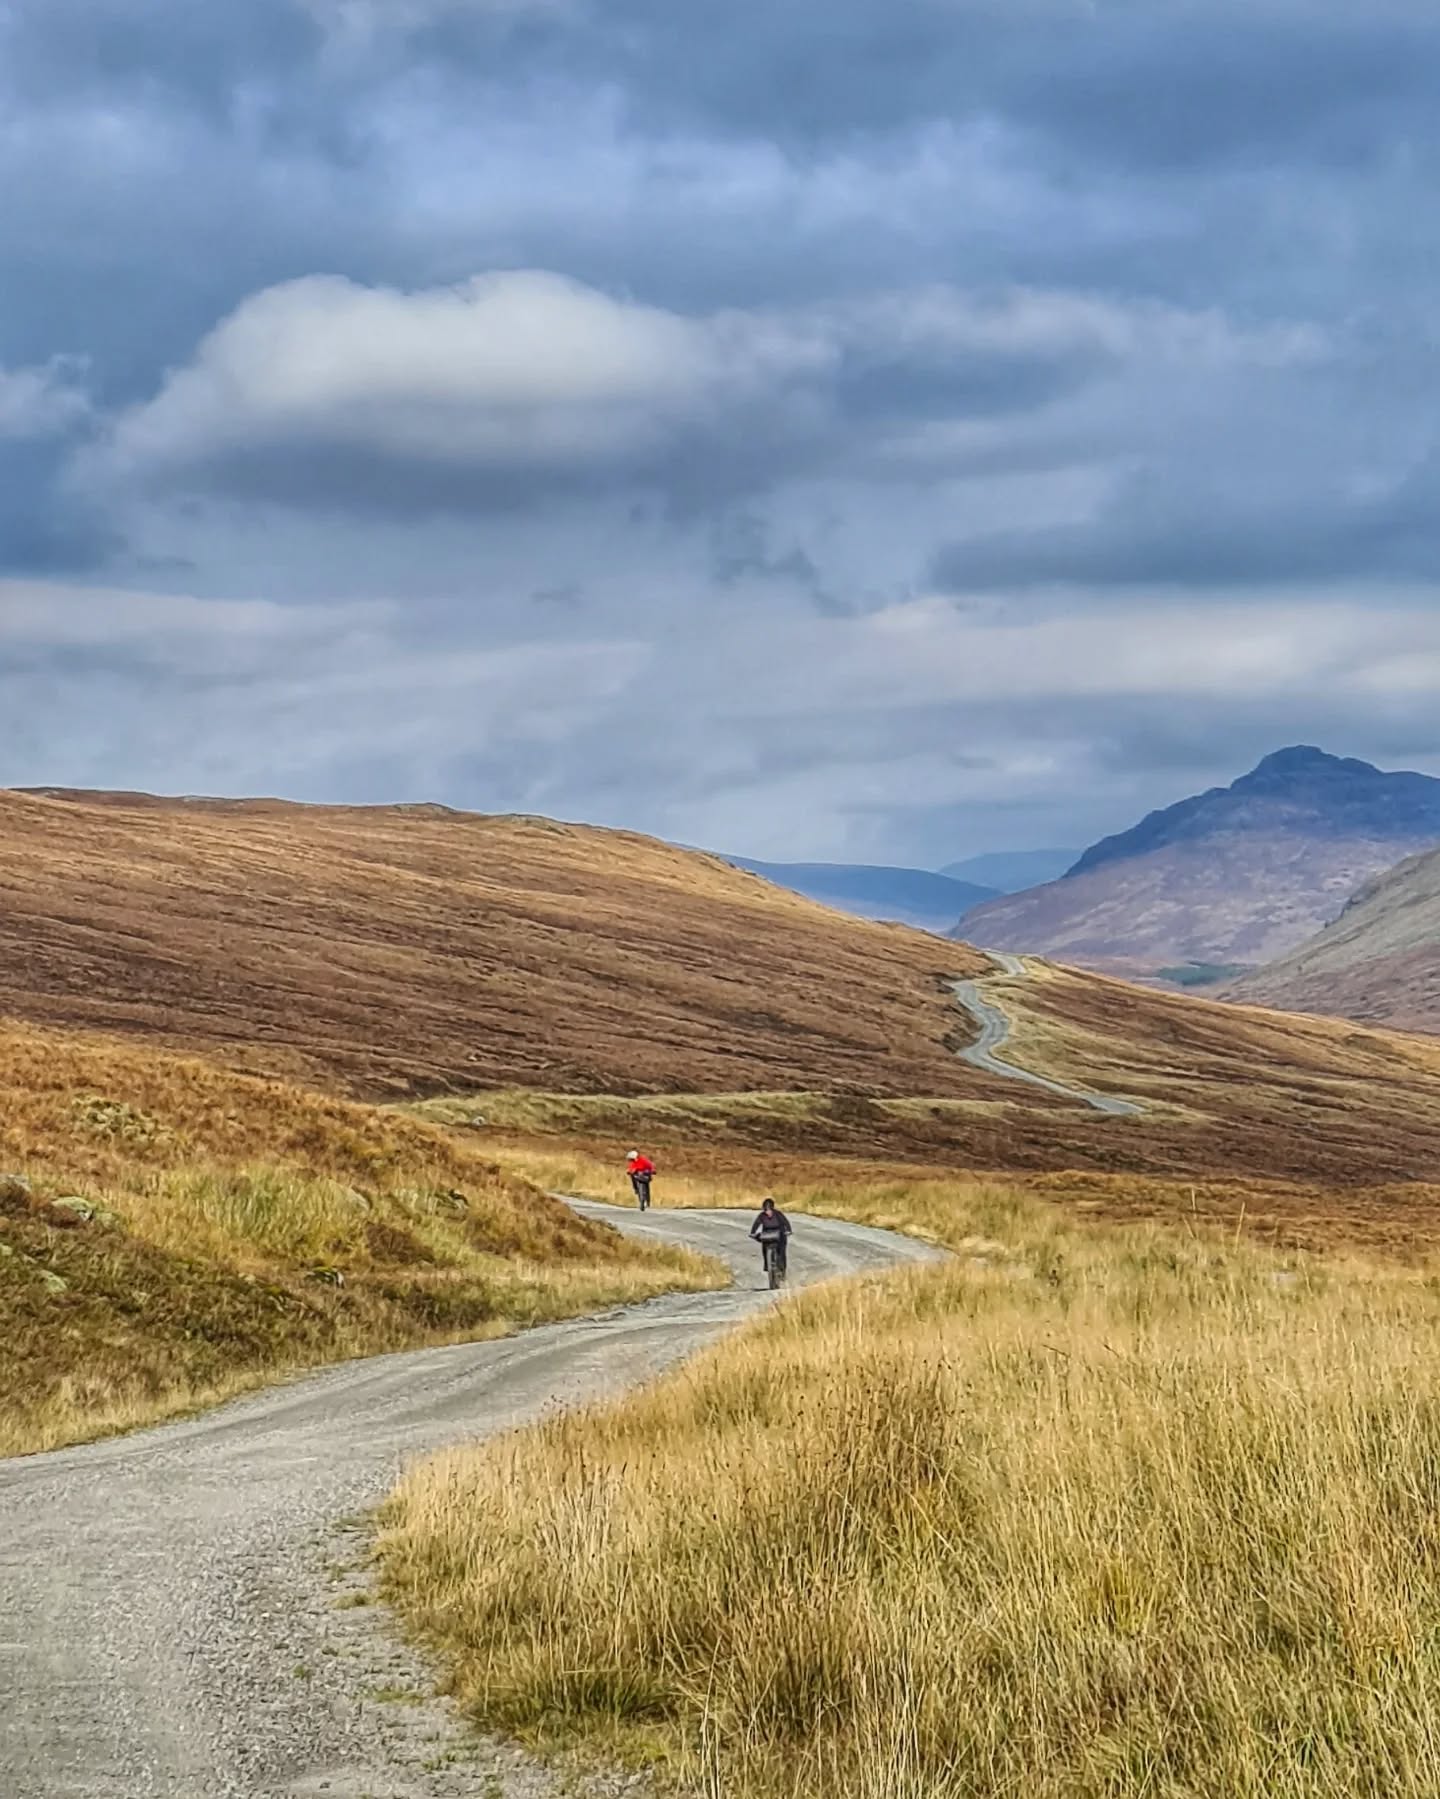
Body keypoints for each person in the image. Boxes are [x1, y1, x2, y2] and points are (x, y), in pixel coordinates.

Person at [749, 1196, 792, 1283]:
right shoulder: (762, 1216)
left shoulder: (778, 1214)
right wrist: (753, 1232)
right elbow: (756, 1224)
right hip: (767, 1234)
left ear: (772, 1208)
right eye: (765, 1210)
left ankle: (782, 1271)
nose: (767, 1212)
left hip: (779, 1234)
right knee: (764, 1249)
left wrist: (788, 1231)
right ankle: (767, 1266)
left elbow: (786, 1222)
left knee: (781, 1253)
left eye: (769, 1210)